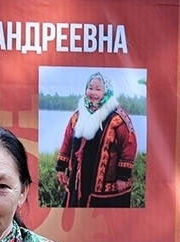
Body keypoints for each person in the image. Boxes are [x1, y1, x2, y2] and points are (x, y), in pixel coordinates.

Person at [56, 72, 137, 208]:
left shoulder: (118, 118)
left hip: (107, 187)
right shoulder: (78, 115)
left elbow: (129, 147)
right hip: (78, 181)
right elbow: (67, 141)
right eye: (90, 88)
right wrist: (60, 168)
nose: (93, 92)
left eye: (98, 89)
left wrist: (122, 177)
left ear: (107, 91)